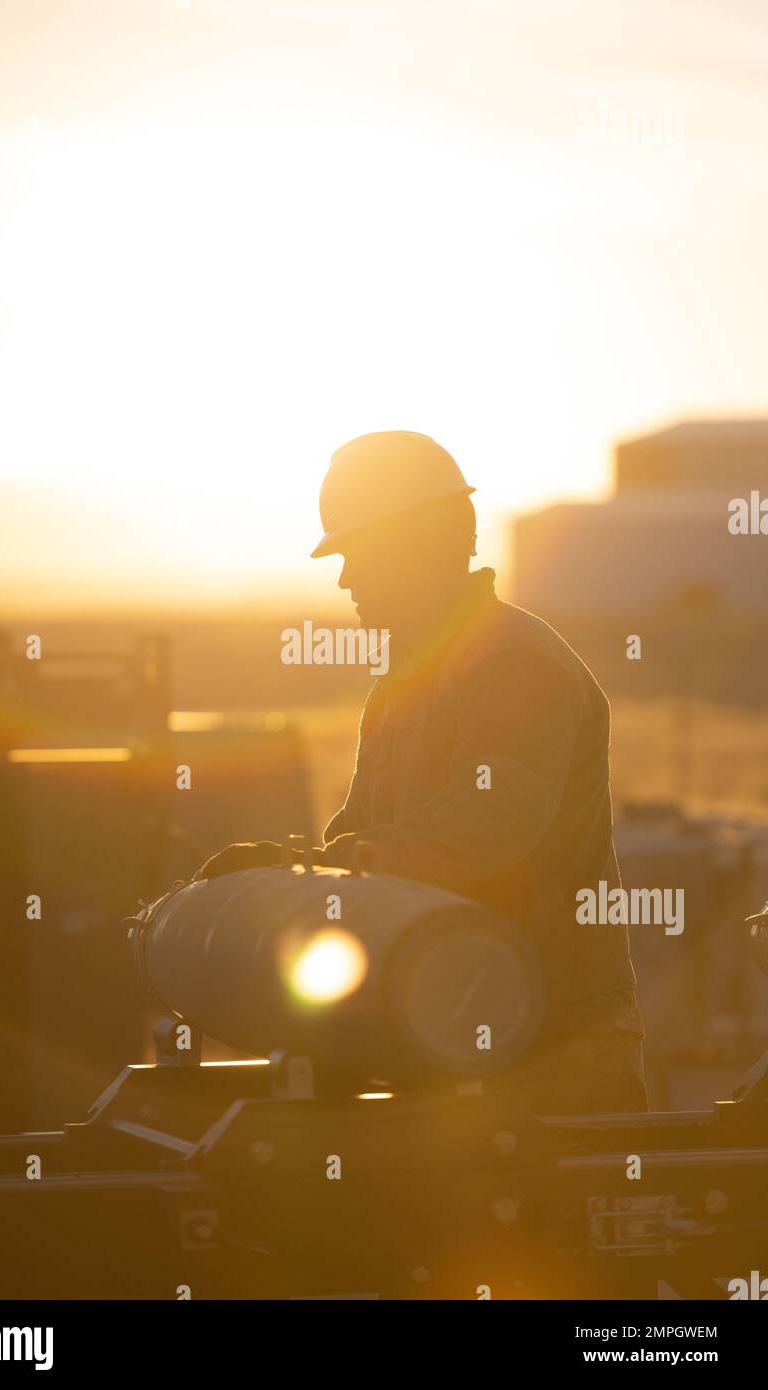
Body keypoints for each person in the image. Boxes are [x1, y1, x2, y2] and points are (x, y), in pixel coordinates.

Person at [195, 430, 648, 1113]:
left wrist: (342, 865)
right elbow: (367, 834)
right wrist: (288, 871)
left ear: (424, 542)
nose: (345, 579)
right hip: (449, 1028)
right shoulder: (404, 685)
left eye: (358, 554)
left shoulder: (513, 663)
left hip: (553, 1041)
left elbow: (493, 820)